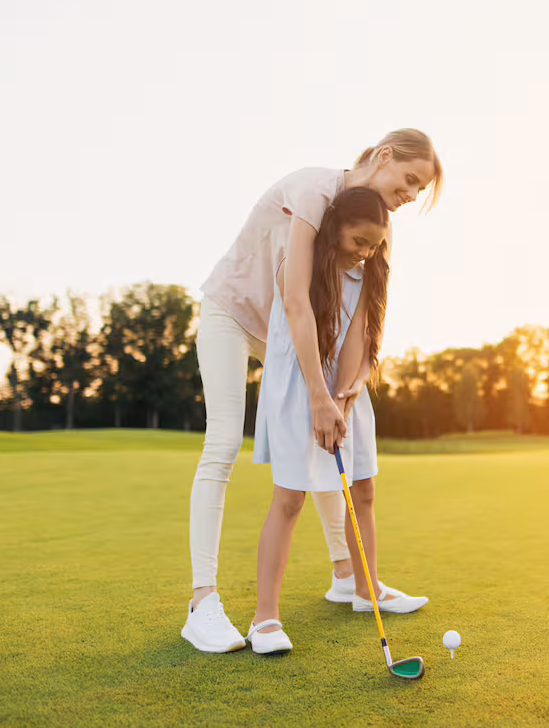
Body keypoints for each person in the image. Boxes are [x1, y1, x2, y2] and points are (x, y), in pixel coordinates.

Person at [181, 130, 443, 653]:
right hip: (236, 316)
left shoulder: (373, 226)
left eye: (420, 190)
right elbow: (297, 302)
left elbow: (363, 320)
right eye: (410, 179)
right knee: (224, 441)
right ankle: (202, 602)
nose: (412, 194)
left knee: (328, 446)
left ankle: (349, 576)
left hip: (290, 332)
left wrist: (341, 392)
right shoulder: (312, 192)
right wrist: (320, 397)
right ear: (384, 155)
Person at [247, 186, 426, 653]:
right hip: (299, 387)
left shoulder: (367, 275)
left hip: (342, 390)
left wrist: (345, 397)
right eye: (358, 242)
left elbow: (360, 342)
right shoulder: (301, 266)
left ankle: (364, 590)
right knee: (289, 499)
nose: (365, 253)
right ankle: (264, 618)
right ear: (334, 229)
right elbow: (296, 320)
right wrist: (319, 398)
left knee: (362, 488)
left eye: (373, 246)